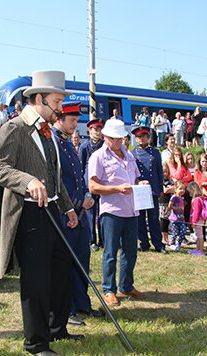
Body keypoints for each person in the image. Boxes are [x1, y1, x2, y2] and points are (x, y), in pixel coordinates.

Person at [0, 70, 80, 356]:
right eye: (56, 102)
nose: (61, 109)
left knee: (62, 268)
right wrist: (27, 181)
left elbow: (55, 176)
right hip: (29, 214)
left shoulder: (49, 131)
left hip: (52, 211)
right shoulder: (15, 128)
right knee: (36, 279)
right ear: (38, 99)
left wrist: (67, 207)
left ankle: (56, 328)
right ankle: (36, 342)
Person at [51, 101, 104, 326]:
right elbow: (58, 180)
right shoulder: (52, 142)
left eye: (76, 120)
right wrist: (75, 202)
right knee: (64, 264)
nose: (75, 125)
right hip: (65, 212)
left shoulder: (68, 143)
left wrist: (86, 196)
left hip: (81, 212)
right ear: (59, 119)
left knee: (82, 259)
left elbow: (77, 175)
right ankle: (68, 309)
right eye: (71, 120)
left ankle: (82, 303)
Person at [88, 118, 148, 308]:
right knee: (110, 253)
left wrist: (141, 184)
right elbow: (93, 186)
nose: (118, 141)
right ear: (105, 137)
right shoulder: (98, 157)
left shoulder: (130, 156)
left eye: (120, 138)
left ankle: (126, 286)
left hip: (132, 211)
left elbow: (135, 179)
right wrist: (116, 189)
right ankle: (109, 290)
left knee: (131, 252)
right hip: (112, 212)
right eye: (114, 138)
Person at [131, 126, 167, 254]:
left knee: (153, 218)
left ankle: (158, 243)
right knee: (140, 218)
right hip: (139, 189)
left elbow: (159, 171)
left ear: (148, 137)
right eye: (138, 137)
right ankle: (144, 243)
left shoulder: (155, 152)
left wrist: (160, 187)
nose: (141, 139)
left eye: (144, 136)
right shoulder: (132, 153)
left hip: (152, 188)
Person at [79, 118, 104, 251]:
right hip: (90, 185)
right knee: (90, 213)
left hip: (103, 184)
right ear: (89, 131)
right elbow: (81, 168)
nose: (97, 132)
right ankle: (91, 240)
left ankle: (103, 239)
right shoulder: (84, 147)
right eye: (95, 129)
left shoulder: (104, 146)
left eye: (99, 129)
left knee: (103, 213)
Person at [186, 181, 207, 256]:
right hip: (198, 220)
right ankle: (197, 248)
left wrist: (194, 221)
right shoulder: (199, 198)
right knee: (198, 235)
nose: (190, 193)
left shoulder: (196, 200)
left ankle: (201, 250)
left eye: (190, 191)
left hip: (198, 220)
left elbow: (196, 212)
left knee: (200, 236)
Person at [167, 181, 186, 252]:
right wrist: (177, 208)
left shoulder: (182, 198)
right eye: (180, 189)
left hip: (181, 218)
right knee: (175, 232)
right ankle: (172, 243)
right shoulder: (174, 197)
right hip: (174, 219)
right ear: (175, 189)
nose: (182, 190)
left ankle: (179, 244)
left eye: (184, 189)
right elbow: (169, 206)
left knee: (183, 231)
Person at [159, 164, 174, 246]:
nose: (165, 173)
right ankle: (163, 238)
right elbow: (165, 190)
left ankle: (167, 237)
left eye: (166, 172)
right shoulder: (160, 180)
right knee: (163, 221)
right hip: (162, 202)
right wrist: (170, 189)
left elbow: (176, 188)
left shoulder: (170, 180)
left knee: (168, 221)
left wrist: (171, 189)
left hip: (170, 202)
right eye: (163, 171)